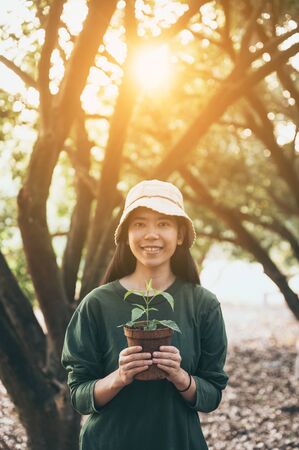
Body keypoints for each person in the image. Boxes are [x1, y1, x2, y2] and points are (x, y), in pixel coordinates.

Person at [61, 179, 229, 450]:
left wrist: (180, 376)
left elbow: (212, 395)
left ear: (181, 234)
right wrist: (119, 377)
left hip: (178, 442)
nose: (151, 234)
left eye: (163, 223)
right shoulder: (97, 304)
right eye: (139, 223)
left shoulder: (203, 304)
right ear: (126, 234)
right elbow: (79, 396)